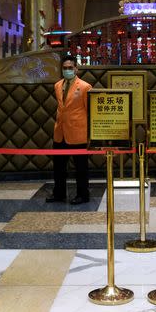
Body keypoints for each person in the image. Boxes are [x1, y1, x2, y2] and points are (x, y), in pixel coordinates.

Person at [46, 54, 92, 205]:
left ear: (76, 69)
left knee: (81, 168)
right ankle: (59, 193)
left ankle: (83, 195)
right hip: (60, 132)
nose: (67, 70)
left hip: (78, 132)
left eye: (70, 68)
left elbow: (89, 110)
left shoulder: (85, 87)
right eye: (64, 68)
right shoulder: (58, 85)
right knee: (59, 167)